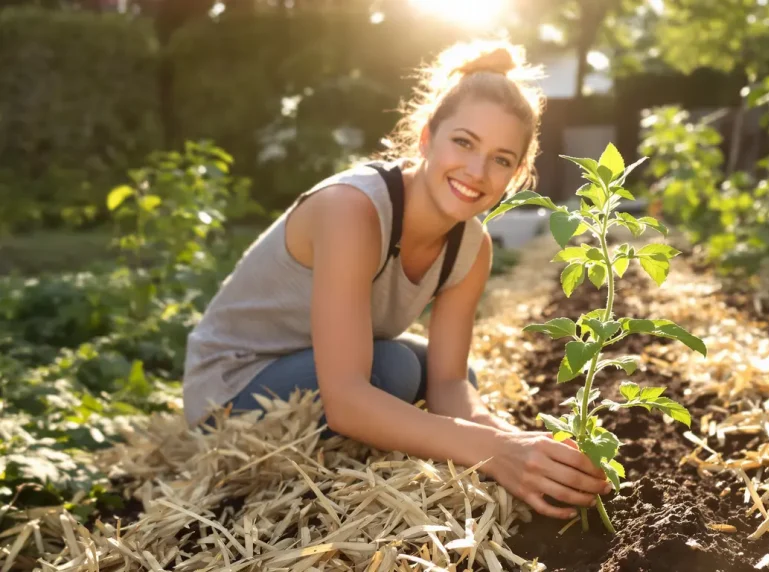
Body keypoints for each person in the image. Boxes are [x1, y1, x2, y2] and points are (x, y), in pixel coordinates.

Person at [181, 39, 611, 520]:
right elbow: (346, 401)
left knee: (448, 374)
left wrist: (518, 445)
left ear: (517, 174)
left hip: (313, 367)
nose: (476, 171)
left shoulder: (472, 248)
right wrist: (493, 451)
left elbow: (448, 385)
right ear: (427, 139)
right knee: (396, 370)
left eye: (501, 159)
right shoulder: (354, 210)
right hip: (231, 391)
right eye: (463, 143)